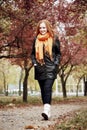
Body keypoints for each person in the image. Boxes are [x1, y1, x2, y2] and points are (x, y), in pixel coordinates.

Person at [31, 19, 61, 120]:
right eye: (40, 28)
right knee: (43, 90)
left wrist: (55, 64)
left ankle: (46, 110)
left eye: (43, 27)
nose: (42, 29)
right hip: (39, 68)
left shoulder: (54, 38)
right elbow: (32, 54)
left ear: (47, 27)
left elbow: (58, 53)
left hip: (51, 68)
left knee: (47, 88)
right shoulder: (36, 39)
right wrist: (35, 63)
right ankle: (47, 112)